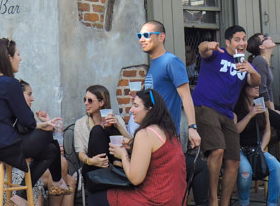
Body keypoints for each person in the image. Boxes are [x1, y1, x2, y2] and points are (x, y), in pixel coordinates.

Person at [0, 38, 64, 200]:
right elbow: (28, 123)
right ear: (8, 57)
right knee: (48, 137)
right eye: (18, 54)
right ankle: (54, 183)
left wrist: (41, 124)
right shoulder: (10, 83)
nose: (20, 58)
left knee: (51, 149)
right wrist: (43, 127)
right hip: (5, 147)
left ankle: (23, 196)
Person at [0, 78, 74, 206]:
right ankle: (55, 182)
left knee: (53, 151)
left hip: (13, 168)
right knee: (51, 154)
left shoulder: (17, 119)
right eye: (29, 94)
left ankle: (47, 185)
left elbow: (25, 147)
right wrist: (42, 130)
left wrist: (42, 126)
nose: (33, 98)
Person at [137, 20, 206, 206]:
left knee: (172, 186)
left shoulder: (171, 61)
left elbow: (186, 97)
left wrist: (192, 127)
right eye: (139, 36)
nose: (142, 39)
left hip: (165, 133)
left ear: (161, 37)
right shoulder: (154, 64)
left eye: (146, 35)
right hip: (152, 132)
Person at [192, 26, 261, 206]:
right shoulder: (217, 54)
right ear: (228, 42)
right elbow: (201, 49)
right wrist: (209, 45)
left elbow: (256, 82)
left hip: (227, 113)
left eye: (244, 39)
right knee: (217, 150)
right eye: (237, 39)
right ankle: (212, 199)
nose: (242, 43)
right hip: (205, 106)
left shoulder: (244, 64)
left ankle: (225, 202)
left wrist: (251, 70)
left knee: (234, 160)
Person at [86, 89, 186, 206]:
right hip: (177, 198)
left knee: (95, 198)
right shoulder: (167, 130)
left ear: (149, 109)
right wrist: (132, 145)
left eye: (136, 105)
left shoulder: (145, 133)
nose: (131, 110)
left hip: (157, 200)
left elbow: (135, 179)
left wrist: (123, 155)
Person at [233, 84, 280, 206]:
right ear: (244, 88)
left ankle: (272, 203)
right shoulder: (236, 108)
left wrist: (261, 148)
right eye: (253, 86)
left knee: (276, 167)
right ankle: (244, 203)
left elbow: (267, 131)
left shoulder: (261, 105)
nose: (257, 88)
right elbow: (235, 131)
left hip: (256, 148)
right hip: (239, 148)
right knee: (245, 171)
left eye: (258, 86)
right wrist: (250, 115)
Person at [74, 85, 132, 178]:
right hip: (94, 168)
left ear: (101, 102)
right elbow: (80, 152)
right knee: (97, 130)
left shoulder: (116, 119)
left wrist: (118, 126)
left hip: (115, 166)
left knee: (110, 127)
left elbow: (132, 144)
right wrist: (90, 161)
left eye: (90, 100)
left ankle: (117, 167)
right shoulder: (81, 123)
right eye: (85, 99)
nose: (86, 103)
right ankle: (114, 171)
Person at [247, 33, 280, 141]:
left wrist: (272, 109)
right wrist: (273, 111)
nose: (270, 37)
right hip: (258, 104)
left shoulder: (265, 62)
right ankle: (263, 141)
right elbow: (262, 90)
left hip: (265, 103)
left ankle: (266, 136)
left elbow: (269, 90)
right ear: (261, 47)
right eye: (265, 38)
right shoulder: (260, 60)